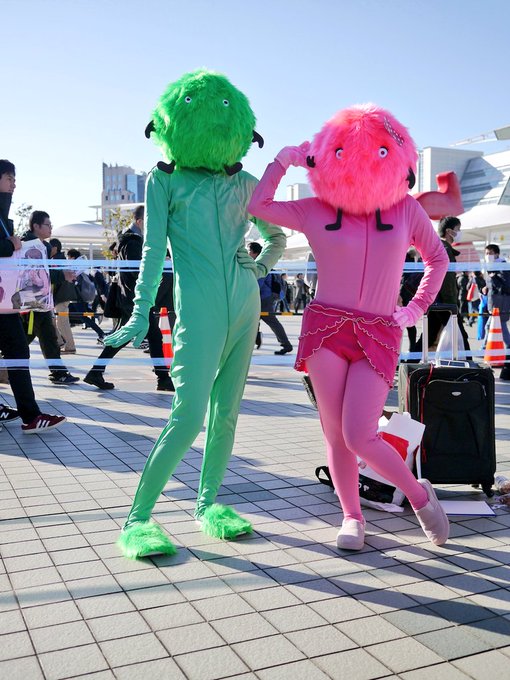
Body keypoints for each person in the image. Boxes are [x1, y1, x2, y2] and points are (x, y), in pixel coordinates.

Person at [248, 104, 450, 551]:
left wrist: (416, 308)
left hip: (379, 332)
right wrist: (283, 160)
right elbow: (258, 205)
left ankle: (419, 496)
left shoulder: (405, 209)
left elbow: (437, 259)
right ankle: (352, 516)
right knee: (336, 435)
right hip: (327, 330)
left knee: (361, 434)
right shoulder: (315, 209)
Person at [104, 69, 286, 559]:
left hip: (244, 305)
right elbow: (152, 252)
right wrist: (140, 311)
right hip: (198, 311)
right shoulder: (164, 180)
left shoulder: (246, 183)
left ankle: (208, 505)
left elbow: (277, 236)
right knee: (187, 417)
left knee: (226, 414)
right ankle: (138, 519)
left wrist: (258, 267)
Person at [0, 160, 65, 432]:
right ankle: (31, 415)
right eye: (9, 178)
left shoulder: (3, 216)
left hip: (5, 301)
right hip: (3, 302)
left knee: (18, 349)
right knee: (17, 349)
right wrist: (8, 245)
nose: (14, 184)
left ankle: (30, 414)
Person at [84, 206, 174, 391]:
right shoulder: (132, 242)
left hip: (134, 297)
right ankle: (163, 378)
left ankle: (96, 371)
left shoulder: (130, 241)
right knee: (151, 336)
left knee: (138, 335)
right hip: (136, 297)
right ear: (140, 222)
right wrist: (158, 268)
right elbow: (137, 271)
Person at [21, 211, 80, 386]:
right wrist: (62, 275)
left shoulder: (43, 246)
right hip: (32, 301)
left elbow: (44, 272)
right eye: (47, 225)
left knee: (45, 338)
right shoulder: (28, 245)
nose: (50, 228)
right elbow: (36, 274)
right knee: (28, 338)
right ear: (36, 226)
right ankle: (58, 372)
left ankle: (58, 372)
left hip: (41, 301)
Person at [249, 241, 292, 355]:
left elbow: (258, 284)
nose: (248, 254)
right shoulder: (264, 262)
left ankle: (286, 344)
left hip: (264, 298)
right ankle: (256, 338)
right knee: (254, 319)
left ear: (254, 253)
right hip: (265, 297)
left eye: (249, 251)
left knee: (271, 320)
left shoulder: (259, 264)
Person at [482, 243, 510, 379]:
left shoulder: (502, 265)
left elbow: (506, 285)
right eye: (486, 253)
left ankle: (484, 349)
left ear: (497, 254)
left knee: (497, 325)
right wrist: (485, 288)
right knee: (493, 326)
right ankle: (485, 348)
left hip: (501, 302)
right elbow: (491, 284)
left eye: (491, 253)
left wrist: (493, 278)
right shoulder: (491, 266)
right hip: (494, 301)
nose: (488, 255)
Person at [66, 249, 105, 342]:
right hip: (81, 295)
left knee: (82, 316)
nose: (67, 259)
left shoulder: (77, 267)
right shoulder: (82, 264)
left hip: (77, 296)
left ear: (72, 257)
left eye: (68, 257)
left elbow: (75, 281)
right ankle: (96, 316)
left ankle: (101, 333)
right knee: (81, 312)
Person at [49, 237, 78, 354]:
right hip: (62, 296)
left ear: (55, 248)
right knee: (57, 322)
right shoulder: (60, 259)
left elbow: (56, 280)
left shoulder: (57, 261)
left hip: (61, 296)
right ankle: (61, 343)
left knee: (62, 322)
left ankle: (70, 346)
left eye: (49, 247)